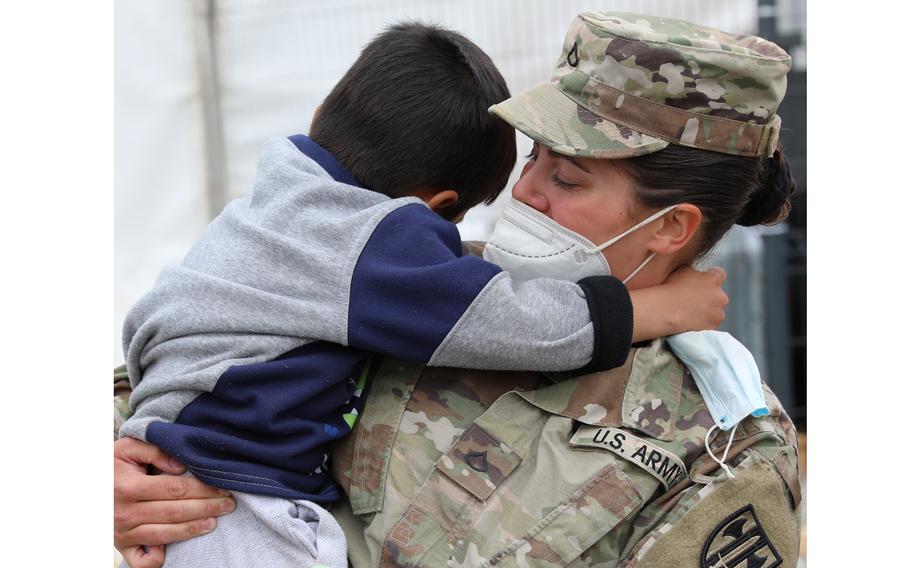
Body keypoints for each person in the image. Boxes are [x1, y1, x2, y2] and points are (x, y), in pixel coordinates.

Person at [115, 21, 729, 568]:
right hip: (228, 501)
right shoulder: (401, 272)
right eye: (532, 159)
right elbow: (509, 323)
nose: (525, 194)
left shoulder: (723, 439)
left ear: (673, 226)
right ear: (435, 206)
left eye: (566, 177)